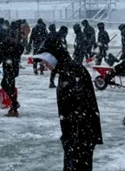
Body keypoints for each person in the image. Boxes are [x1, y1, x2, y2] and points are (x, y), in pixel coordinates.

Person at [36, 36, 102, 170]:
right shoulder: (65, 70)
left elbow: (82, 106)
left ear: (53, 56)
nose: (44, 64)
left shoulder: (72, 71)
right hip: (74, 134)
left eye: (45, 59)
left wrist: (76, 138)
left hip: (82, 133)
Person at [0, 22, 25, 117]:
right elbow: (21, 49)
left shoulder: (5, 45)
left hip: (8, 68)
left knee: (7, 86)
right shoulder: (16, 45)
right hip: (14, 68)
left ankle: (14, 106)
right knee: (10, 86)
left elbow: (0, 58)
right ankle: (14, 105)